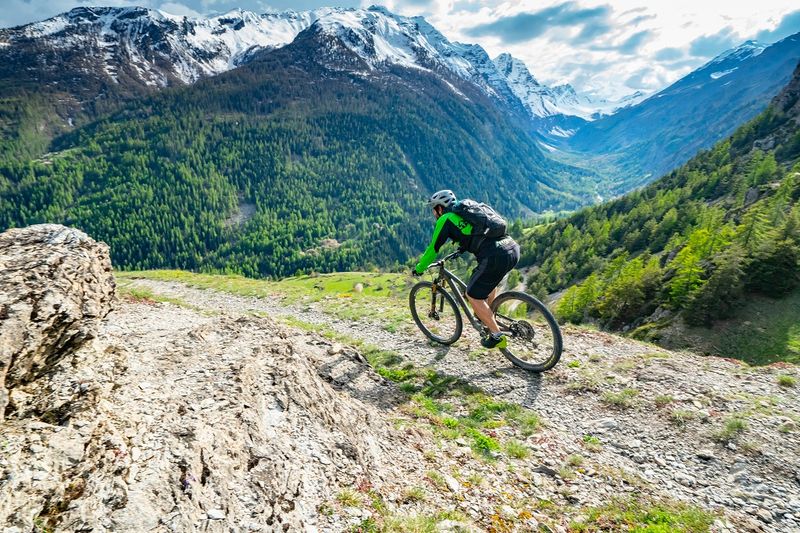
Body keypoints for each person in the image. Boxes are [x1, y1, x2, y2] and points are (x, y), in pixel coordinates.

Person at [412, 189, 520, 349]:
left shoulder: (446, 218)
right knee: (489, 281)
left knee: (472, 295)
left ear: (440, 208)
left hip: (494, 256)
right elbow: (474, 232)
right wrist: (463, 247)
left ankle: (497, 335)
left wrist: (420, 268)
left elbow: (433, 249)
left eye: (434, 209)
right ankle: (489, 316)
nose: (434, 213)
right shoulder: (469, 210)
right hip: (511, 247)